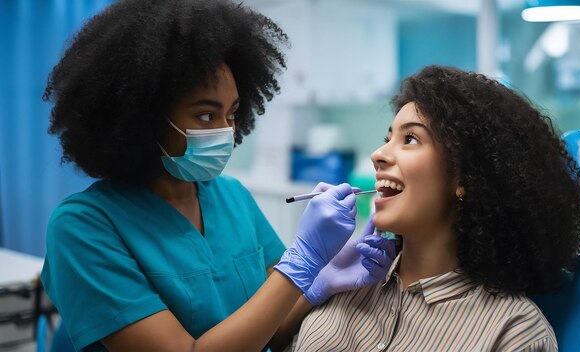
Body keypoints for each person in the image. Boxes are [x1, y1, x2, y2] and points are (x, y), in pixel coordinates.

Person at [39, 1, 396, 351]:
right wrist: (302, 261)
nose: (226, 131)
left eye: (233, 113)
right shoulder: (82, 227)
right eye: (206, 116)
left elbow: (270, 332)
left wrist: (320, 283)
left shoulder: (232, 197)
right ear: (142, 118)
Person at [290, 65, 580, 351]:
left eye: (410, 138)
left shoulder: (513, 332)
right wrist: (314, 287)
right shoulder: (348, 281)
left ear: (465, 177)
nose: (377, 155)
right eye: (387, 139)